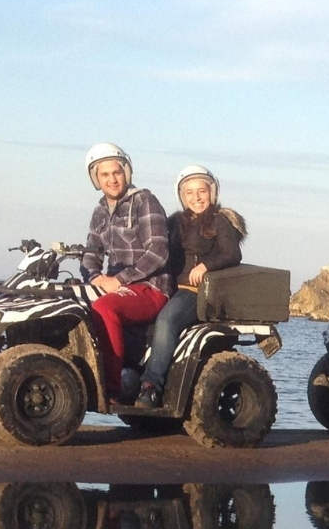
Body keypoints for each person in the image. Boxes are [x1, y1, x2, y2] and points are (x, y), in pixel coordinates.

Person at [136, 166, 244, 409]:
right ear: (182, 196)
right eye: (189, 193)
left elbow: (232, 254)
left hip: (199, 292)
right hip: (170, 289)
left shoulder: (219, 221)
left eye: (201, 191)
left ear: (212, 192)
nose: (196, 197)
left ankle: (151, 387)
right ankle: (130, 375)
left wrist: (205, 265)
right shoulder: (174, 222)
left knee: (167, 320)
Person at [79, 143, 173, 394]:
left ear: (126, 172)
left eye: (116, 173)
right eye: (104, 174)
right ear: (96, 179)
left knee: (104, 308)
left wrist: (119, 280)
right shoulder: (100, 210)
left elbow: (159, 252)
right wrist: (94, 276)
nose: (111, 179)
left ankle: (112, 389)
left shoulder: (145, 202)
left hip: (150, 288)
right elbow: (91, 253)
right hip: (117, 286)